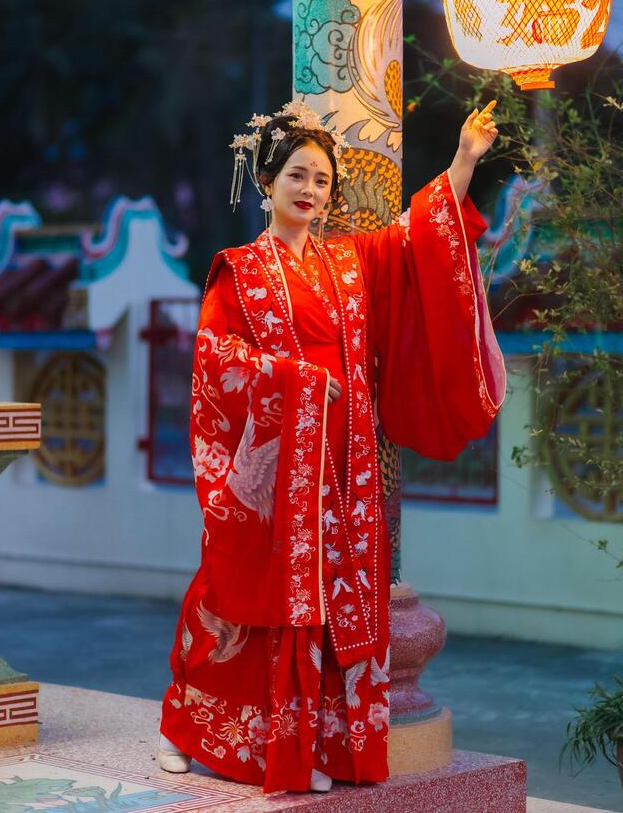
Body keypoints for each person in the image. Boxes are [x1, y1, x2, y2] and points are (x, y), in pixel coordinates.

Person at [156, 99, 506, 794]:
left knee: (327, 608)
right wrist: (300, 383)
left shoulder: (351, 263)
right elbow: (213, 363)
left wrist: (465, 159)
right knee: (236, 599)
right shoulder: (238, 271)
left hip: (344, 469)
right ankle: (182, 726)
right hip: (271, 472)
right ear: (267, 183)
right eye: (297, 175)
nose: (311, 190)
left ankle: (307, 747)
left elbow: (419, 240)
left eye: (321, 178)